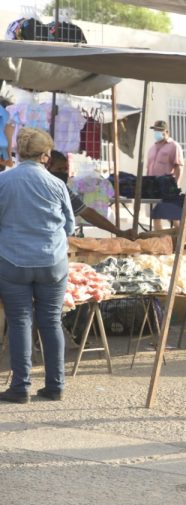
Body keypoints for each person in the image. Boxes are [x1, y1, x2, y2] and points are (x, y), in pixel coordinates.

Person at [0, 128, 74, 403]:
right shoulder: (57, 185)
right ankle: (55, 386)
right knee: (51, 321)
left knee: (19, 321)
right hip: (52, 262)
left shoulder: (3, 181)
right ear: (45, 156)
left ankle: (20, 388)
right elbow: (70, 226)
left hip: (12, 261)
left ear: (19, 152)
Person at [47, 151, 137, 240]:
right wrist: (119, 232)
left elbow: (86, 212)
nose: (63, 173)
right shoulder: (48, 187)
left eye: (65, 169)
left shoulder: (62, 189)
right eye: (59, 169)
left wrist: (119, 232)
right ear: (48, 168)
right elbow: (87, 213)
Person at [146, 120, 184, 230]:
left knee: (172, 217)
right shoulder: (152, 148)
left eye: (159, 130)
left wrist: (175, 186)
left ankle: (181, 237)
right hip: (153, 188)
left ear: (166, 132)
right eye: (155, 130)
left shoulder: (173, 146)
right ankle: (160, 238)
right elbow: (148, 168)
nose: (156, 133)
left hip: (167, 188)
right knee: (155, 216)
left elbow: (179, 167)